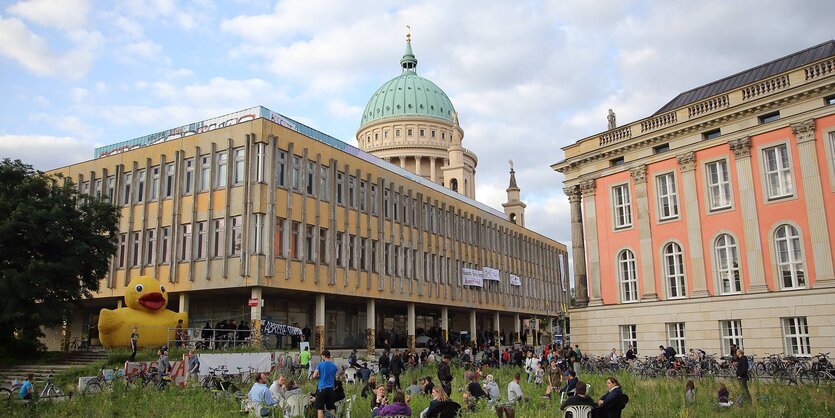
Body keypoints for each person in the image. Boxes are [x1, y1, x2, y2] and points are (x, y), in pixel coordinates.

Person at [311, 349, 339, 418]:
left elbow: (314, 376)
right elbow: (332, 377)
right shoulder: (334, 366)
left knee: (320, 409)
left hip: (322, 388)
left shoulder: (320, 364)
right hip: (331, 389)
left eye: (322, 356)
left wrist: (319, 376)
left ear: (324, 356)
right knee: (331, 408)